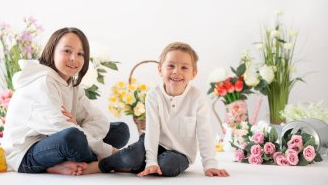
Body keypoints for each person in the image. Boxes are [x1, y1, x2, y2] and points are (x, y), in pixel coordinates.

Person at [2, 27, 130, 175]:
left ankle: (65, 163)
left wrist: (77, 127)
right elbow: (63, 128)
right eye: (67, 51)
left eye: (80, 54)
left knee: (120, 130)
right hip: (25, 153)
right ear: (52, 51)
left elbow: (97, 118)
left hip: (55, 139)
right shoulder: (42, 82)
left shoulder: (71, 83)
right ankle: (103, 164)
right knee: (73, 138)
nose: (74, 59)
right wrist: (112, 153)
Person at [99, 42, 230, 177]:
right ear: (160, 70)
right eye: (171, 66)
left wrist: (210, 165)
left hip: (180, 153)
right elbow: (152, 130)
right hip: (152, 143)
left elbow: (205, 133)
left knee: (167, 165)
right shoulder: (153, 95)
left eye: (184, 67)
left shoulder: (198, 98)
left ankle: (133, 166)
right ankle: (101, 164)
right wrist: (151, 161)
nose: (176, 71)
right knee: (131, 157)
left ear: (193, 74)